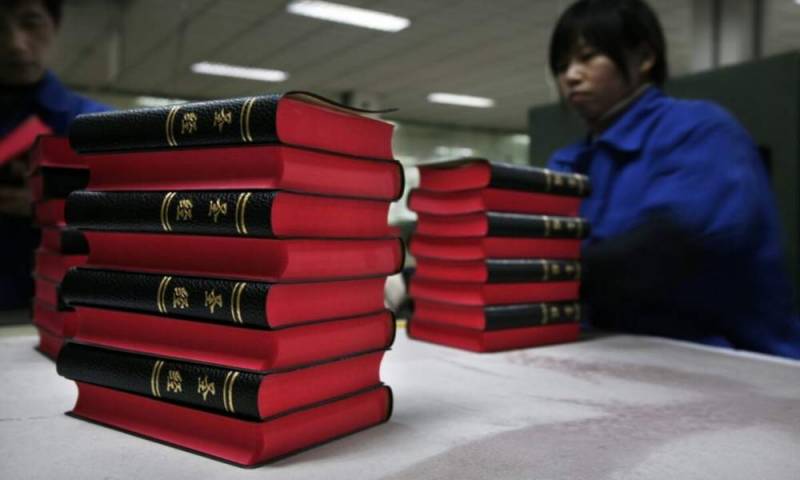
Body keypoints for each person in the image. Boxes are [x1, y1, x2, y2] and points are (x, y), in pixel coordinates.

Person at [546, 0, 800, 358]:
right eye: (562, 66)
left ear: (644, 57)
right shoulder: (569, 161)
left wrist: (551, 274)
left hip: (733, 360)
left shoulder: (701, 131)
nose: (571, 76)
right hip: (617, 354)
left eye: (587, 57)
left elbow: (665, 249)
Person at [1, 0, 109, 310]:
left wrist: (56, 208)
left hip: (64, 310)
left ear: (54, 25)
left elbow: (135, 224)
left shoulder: (98, 127)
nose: (15, 43)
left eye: (31, 23)